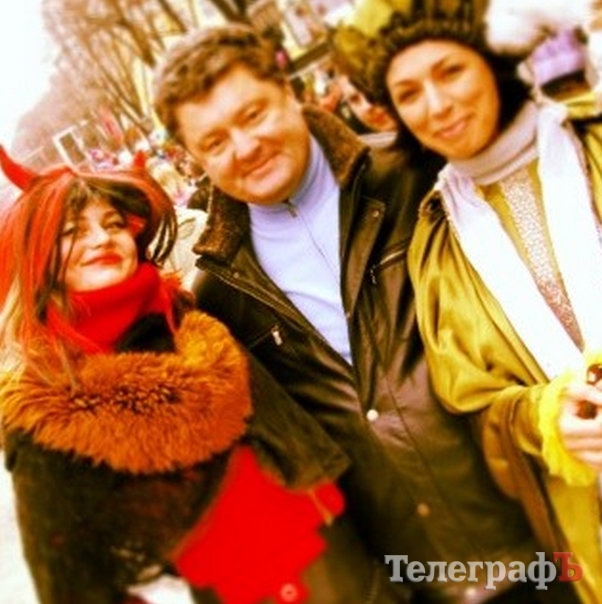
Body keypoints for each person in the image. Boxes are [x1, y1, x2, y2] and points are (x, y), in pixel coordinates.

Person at [152, 24, 550, 603]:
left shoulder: (422, 176)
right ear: (193, 159)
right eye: (214, 142)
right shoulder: (218, 294)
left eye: (253, 114)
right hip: (413, 576)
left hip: (537, 528)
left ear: (290, 91)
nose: (244, 146)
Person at [0, 145, 399, 604]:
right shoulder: (46, 405)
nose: (101, 239)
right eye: (73, 232)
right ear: (38, 257)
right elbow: (70, 583)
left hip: (342, 556)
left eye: (113, 224)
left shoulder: (194, 324)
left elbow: (307, 446)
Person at [335, 0, 602, 601]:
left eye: (450, 71)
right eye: (408, 93)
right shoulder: (436, 242)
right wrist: (548, 416)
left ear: (491, 61)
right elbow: (480, 406)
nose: (436, 106)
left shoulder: (594, 140)